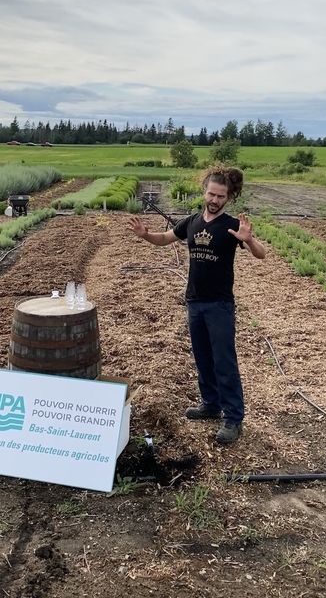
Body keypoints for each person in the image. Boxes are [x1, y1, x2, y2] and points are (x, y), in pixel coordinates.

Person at [128, 166, 266, 445]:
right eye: (211, 194)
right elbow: (165, 239)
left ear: (229, 198)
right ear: (204, 192)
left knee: (224, 361)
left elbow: (261, 254)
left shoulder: (230, 226)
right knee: (203, 358)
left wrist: (249, 239)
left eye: (221, 196)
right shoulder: (191, 222)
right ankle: (211, 404)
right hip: (195, 301)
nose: (215, 200)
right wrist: (145, 235)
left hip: (220, 305)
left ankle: (233, 417)